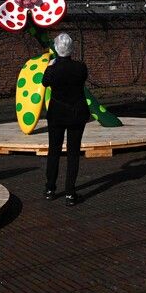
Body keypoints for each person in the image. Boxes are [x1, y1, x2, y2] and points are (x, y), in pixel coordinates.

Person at [43, 32, 90, 206]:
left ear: (56, 48)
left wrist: (50, 65)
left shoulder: (53, 69)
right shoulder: (81, 67)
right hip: (77, 113)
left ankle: (50, 188)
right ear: (72, 49)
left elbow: (44, 82)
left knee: (53, 151)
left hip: (56, 114)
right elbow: (81, 80)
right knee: (73, 153)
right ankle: (70, 192)